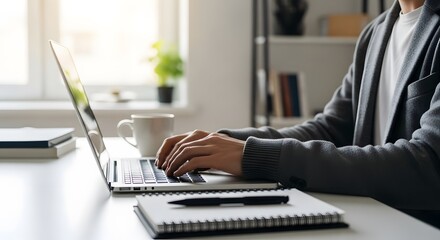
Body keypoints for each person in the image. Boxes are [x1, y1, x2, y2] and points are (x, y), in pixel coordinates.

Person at [156, 0, 440, 228]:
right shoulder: (376, 32)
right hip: (369, 220)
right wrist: (225, 142)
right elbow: (330, 128)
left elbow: (428, 163)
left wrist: (253, 156)